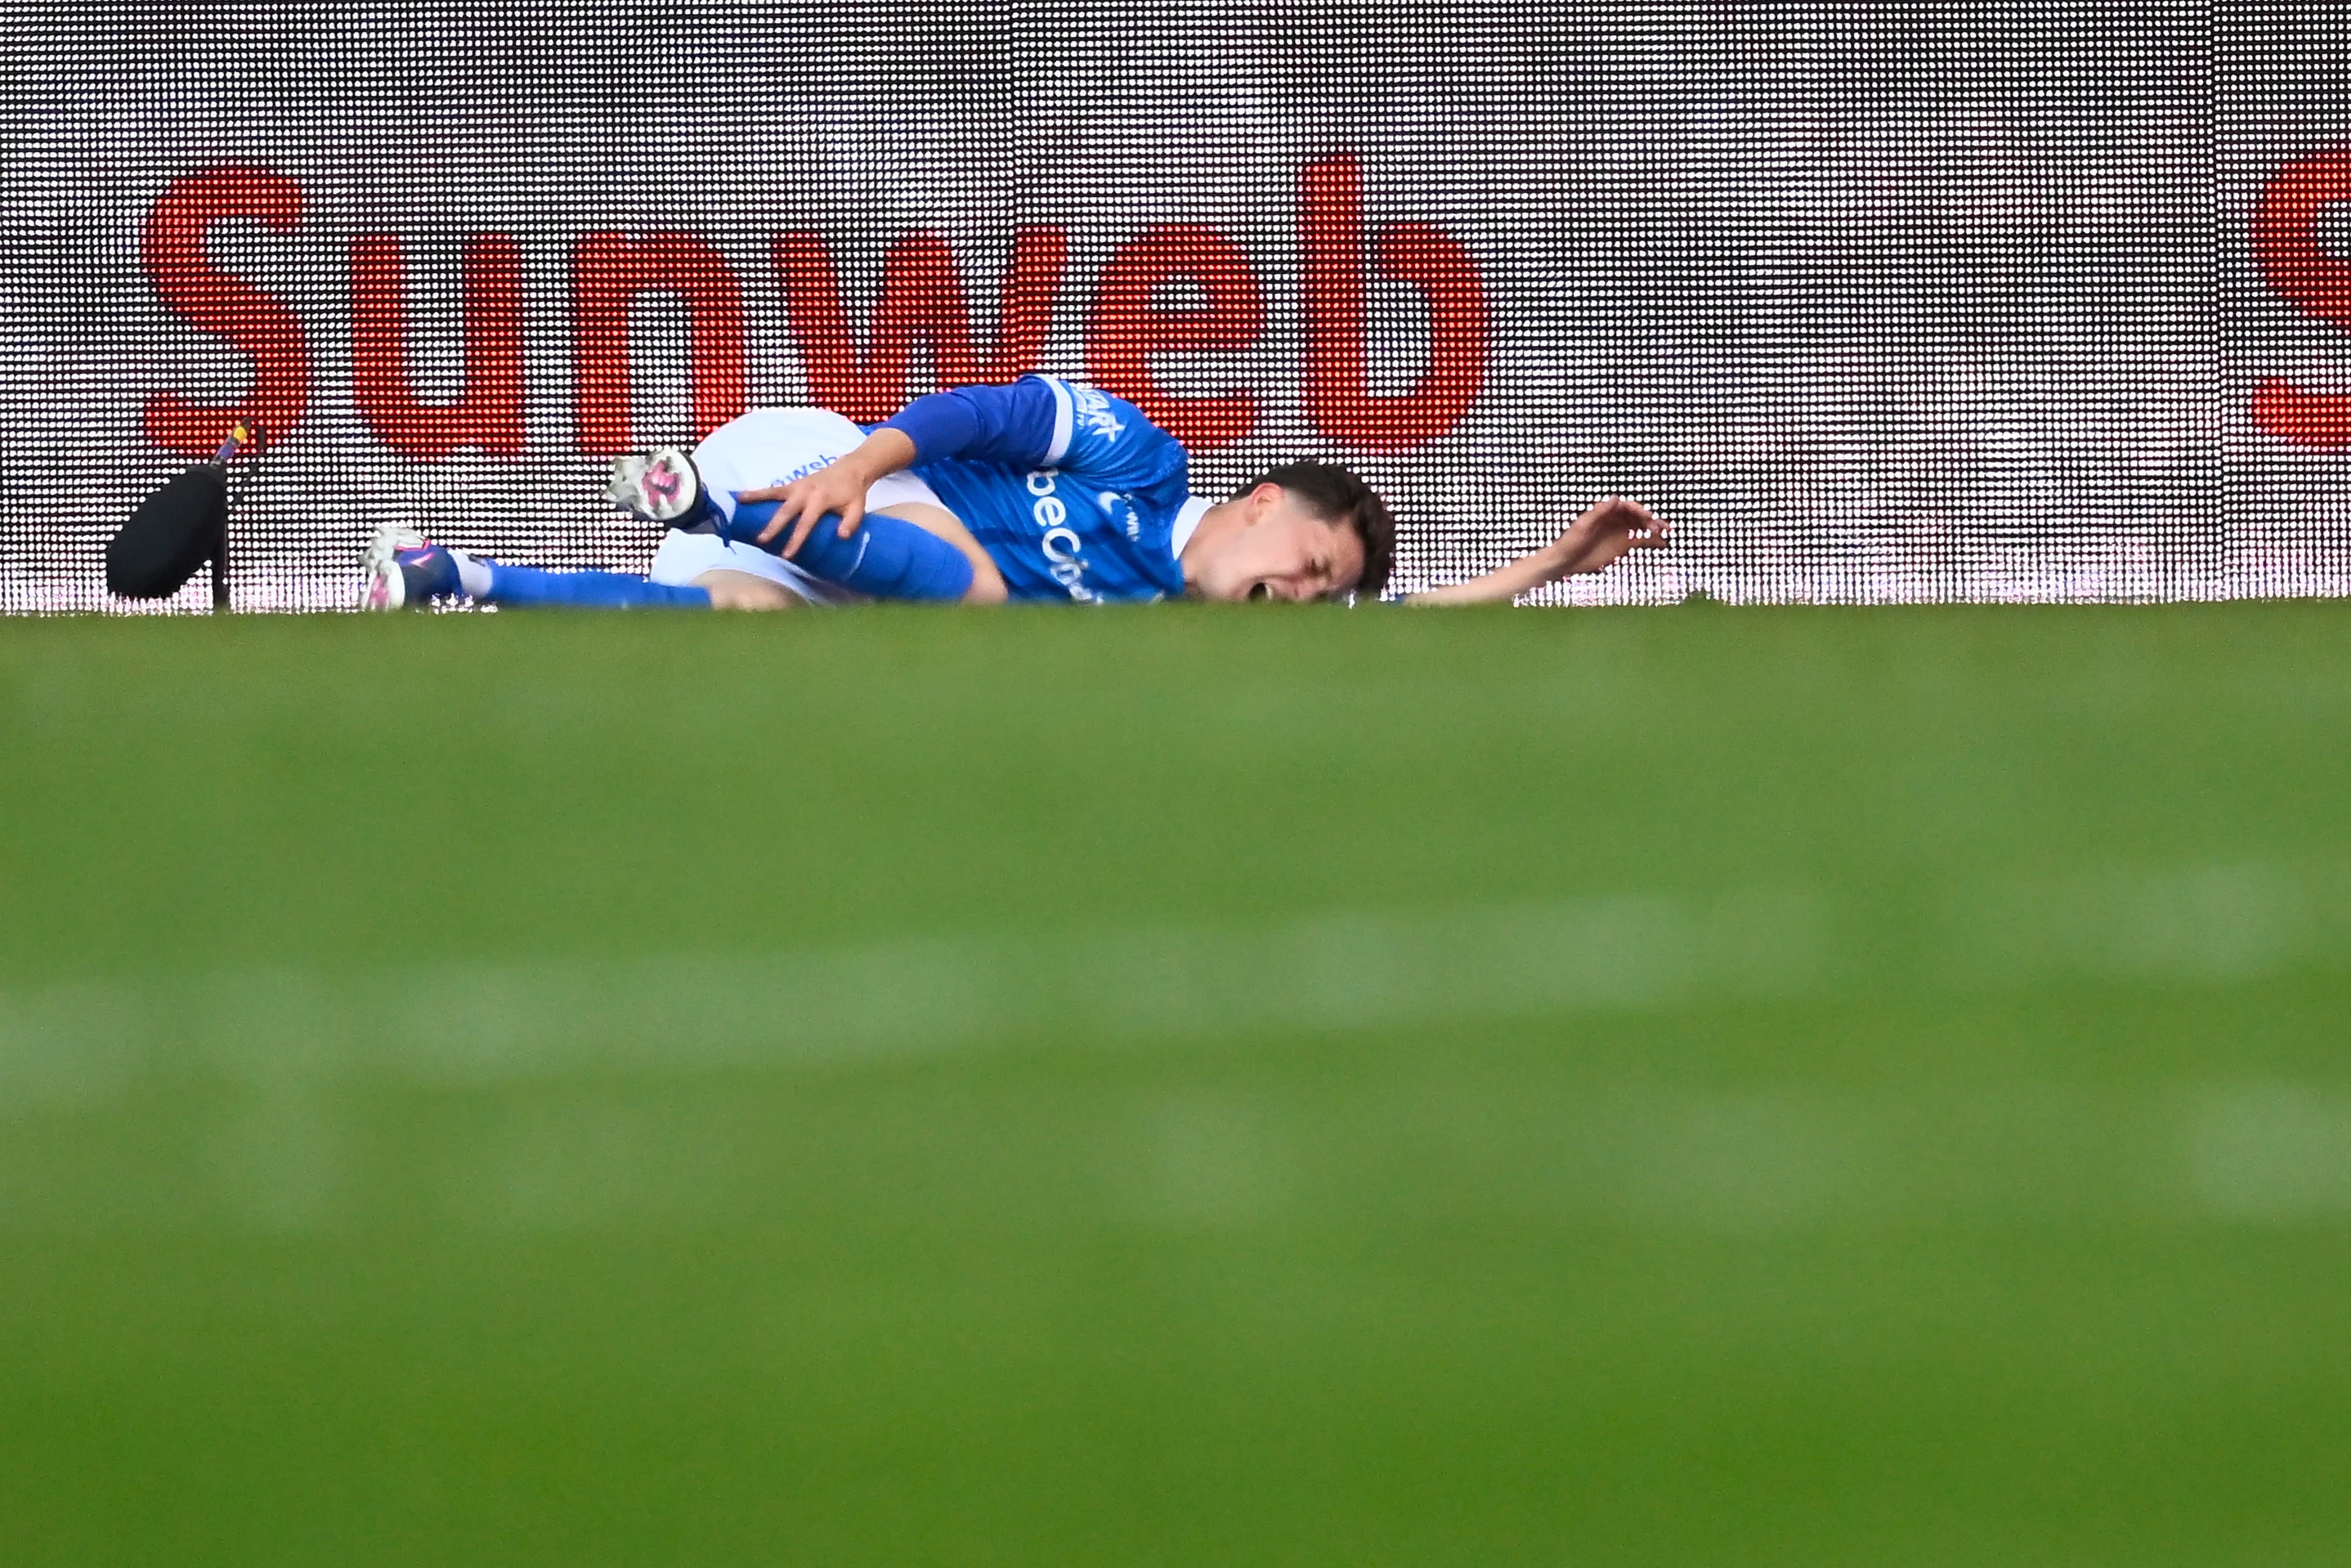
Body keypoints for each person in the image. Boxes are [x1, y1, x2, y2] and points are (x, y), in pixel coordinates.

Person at [361, 374, 1666, 612]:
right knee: (983, 590)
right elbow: (984, 414)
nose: (1293, 596)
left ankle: (452, 575)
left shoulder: (1183, 619)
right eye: (1309, 564)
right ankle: (699, 498)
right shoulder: (1145, 460)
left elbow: (1425, 612)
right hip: (817, 472)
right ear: (1263, 502)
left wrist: (1559, 557)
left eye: (1316, 595)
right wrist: (859, 465)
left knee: (734, 635)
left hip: (835, 588)